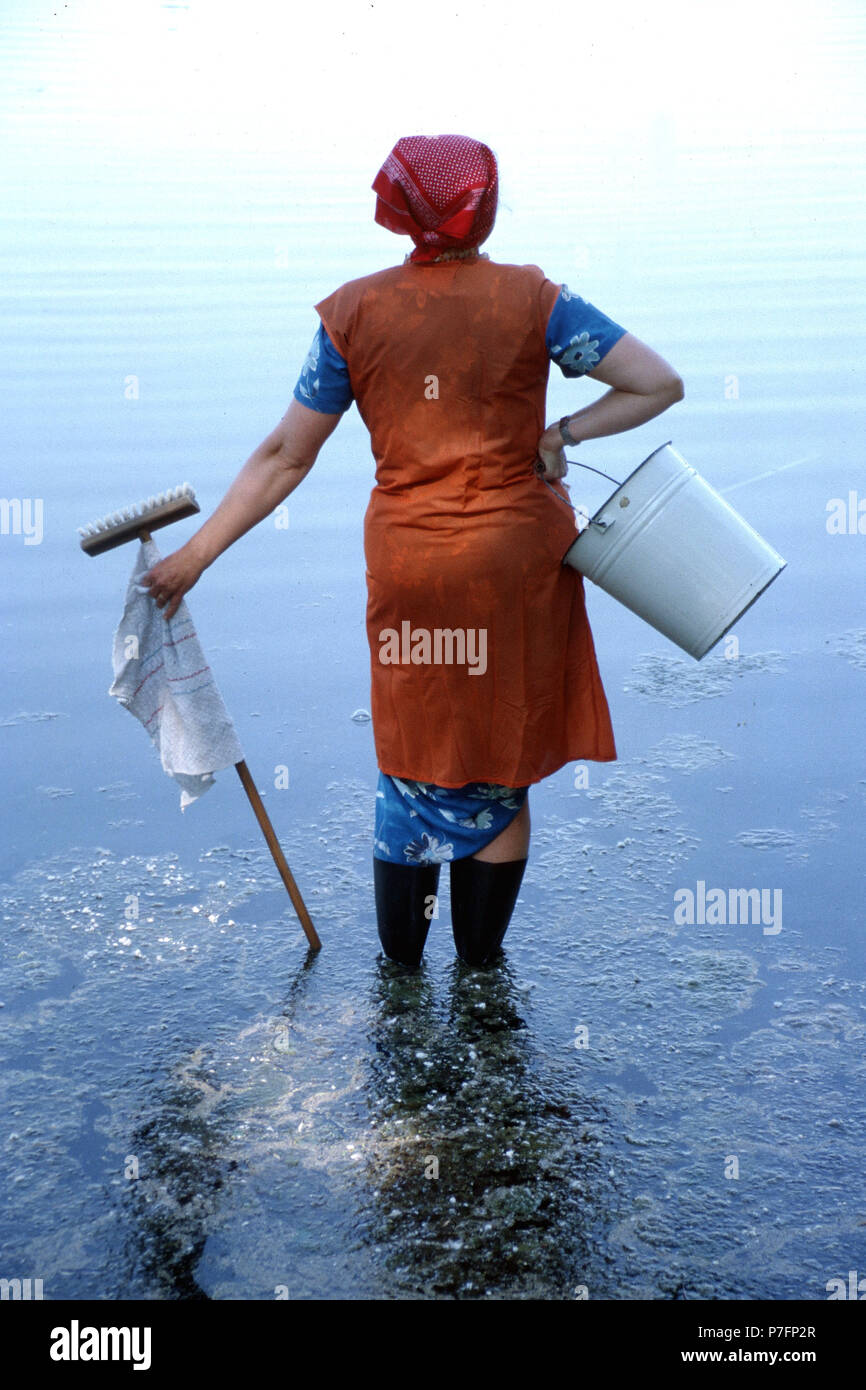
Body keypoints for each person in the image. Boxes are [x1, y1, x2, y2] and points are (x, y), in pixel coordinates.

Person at [142, 134, 684, 972]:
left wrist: (194, 557)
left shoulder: (352, 316)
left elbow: (287, 455)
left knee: (412, 760)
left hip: (414, 573)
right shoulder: (538, 301)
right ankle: (480, 967)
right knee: (498, 766)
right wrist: (560, 431)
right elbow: (658, 383)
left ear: (402, 211)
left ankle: (400, 974)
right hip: (516, 567)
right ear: (487, 206)